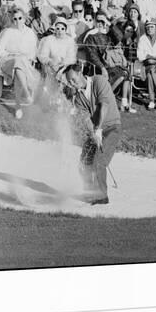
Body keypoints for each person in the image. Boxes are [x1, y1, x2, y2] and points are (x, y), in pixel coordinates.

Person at [63, 62, 121, 205]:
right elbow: (86, 119)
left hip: (112, 127)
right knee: (84, 162)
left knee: (99, 161)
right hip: (97, 130)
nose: (71, 83)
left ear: (80, 73)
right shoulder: (78, 99)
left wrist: (99, 129)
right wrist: (93, 134)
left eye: (73, 80)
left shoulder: (99, 81)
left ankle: (102, 196)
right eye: (69, 81)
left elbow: (104, 106)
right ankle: (90, 191)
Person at [0, 8, 40, 119]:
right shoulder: (8, 31)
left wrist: (25, 57)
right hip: (8, 61)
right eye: (14, 19)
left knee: (19, 64)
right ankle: (26, 93)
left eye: (20, 18)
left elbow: (33, 51)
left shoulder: (30, 33)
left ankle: (18, 106)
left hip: (24, 61)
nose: (17, 21)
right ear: (12, 20)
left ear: (24, 19)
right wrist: (11, 54)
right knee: (17, 62)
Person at [38, 17, 76, 82]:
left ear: (65, 30)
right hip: (51, 66)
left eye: (62, 29)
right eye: (57, 28)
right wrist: (50, 61)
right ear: (55, 29)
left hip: (65, 68)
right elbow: (43, 55)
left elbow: (72, 58)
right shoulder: (49, 39)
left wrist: (63, 63)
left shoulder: (70, 41)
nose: (60, 31)